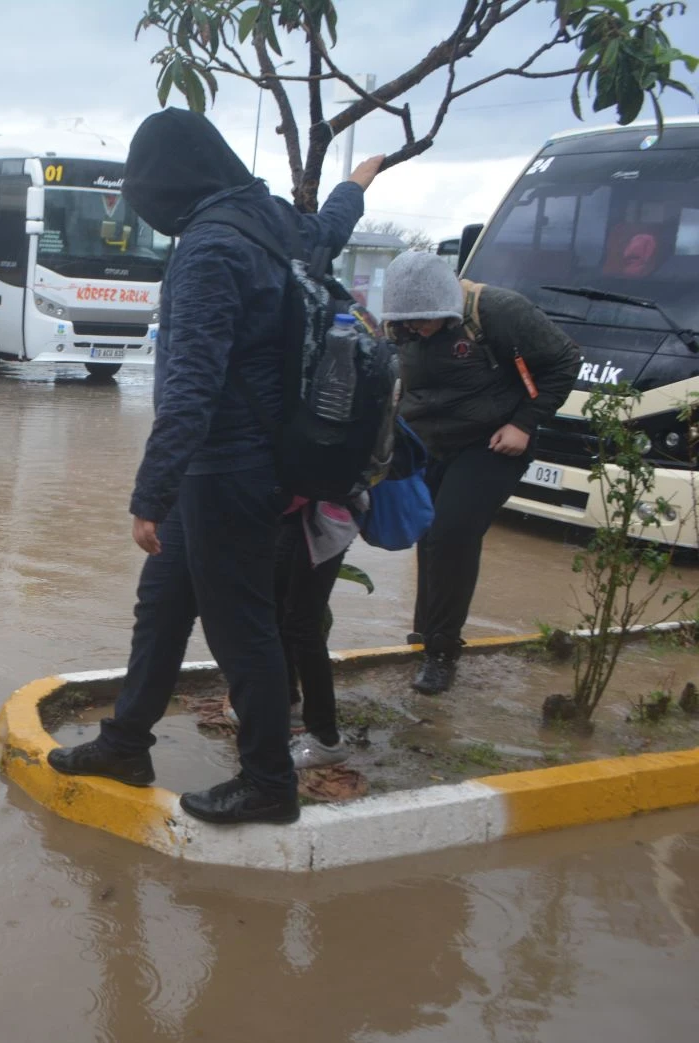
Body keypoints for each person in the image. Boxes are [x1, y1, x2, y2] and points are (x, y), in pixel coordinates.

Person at [46, 106, 384, 825]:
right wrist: (357, 182)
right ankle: (127, 742)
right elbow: (329, 229)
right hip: (246, 462)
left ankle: (268, 782)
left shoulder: (208, 248)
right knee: (163, 603)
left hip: (224, 467)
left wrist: (151, 494)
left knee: (242, 628)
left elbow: (190, 387)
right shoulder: (271, 221)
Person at [381, 252, 582, 694]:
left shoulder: (497, 311)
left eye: (425, 320)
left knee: (452, 534)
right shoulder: (401, 327)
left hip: (491, 442)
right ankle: (424, 635)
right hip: (427, 443)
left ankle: (441, 653)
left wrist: (524, 424)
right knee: (427, 536)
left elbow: (565, 361)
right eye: (408, 322)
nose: (417, 329)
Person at [279, 500, 359, 769]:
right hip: (296, 516)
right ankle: (289, 707)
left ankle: (325, 739)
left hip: (323, 519)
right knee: (278, 611)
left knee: (302, 623)